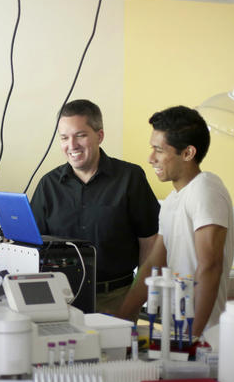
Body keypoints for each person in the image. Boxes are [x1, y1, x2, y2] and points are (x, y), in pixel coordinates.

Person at [30, 99, 160, 313]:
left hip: (116, 298)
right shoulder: (48, 184)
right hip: (61, 300)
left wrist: (136, 298)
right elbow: (33, 244)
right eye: (64, 137)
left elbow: (150, 241)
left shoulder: (130, 178)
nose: (71, 145)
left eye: (80, 135)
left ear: (99, 136)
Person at [116, 105, 234, 338]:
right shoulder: (172, 201)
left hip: (205, 335)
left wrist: (193, 336)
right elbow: (153, 266)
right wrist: (121, 320)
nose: (151, 158)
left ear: (188, 153)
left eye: (159, 150)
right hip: (177, 331)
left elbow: (210, 266)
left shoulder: (205, 189)